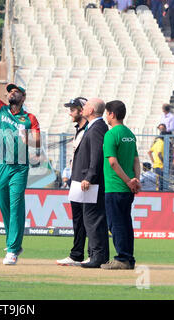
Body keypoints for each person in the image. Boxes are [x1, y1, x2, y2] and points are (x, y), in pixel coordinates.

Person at [0, 53, 41, 265]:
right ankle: (12, 241)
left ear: (23, 97)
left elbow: (37, 143)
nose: (11, 94)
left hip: (19, 167)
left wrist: (28, 139)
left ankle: (13, 249)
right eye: (9, 91)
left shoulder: (29, 118)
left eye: (15, 92)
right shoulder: (0, 109)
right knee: (4, 206)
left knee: (16, 206)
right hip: (3, 165)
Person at [69, 98, 110, 269]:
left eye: (85, 106)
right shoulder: (93, 127)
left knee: (93, 219)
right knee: (90, 218)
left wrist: (90, 177)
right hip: (87, 180)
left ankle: (98, 256)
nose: (83, 108)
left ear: (91, 109)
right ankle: (95, 254)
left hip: (91, 182)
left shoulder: (97, 128)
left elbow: (97, 155)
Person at [101, 100, 141, 270]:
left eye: (107, 113)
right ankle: (129, 258)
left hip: (115, 185)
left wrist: (127, 181)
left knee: (116, 223)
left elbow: (113, 163)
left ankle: (122, 258)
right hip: (128, 188)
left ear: (112, 114)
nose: (106, 116)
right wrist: (135, 181)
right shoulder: (130, 134)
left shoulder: (111, 134)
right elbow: (136, 160)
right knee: (125, 222)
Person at [57, 97, 92, 266]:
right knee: (78, 220)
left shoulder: (90, 129)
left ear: (82, 110)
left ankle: (92, 254)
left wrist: (88, 177)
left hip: (86, 181)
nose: (70, 112)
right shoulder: (79, 129)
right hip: (76, 179)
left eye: (73, 109)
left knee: (89, 219)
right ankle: (77, 254)